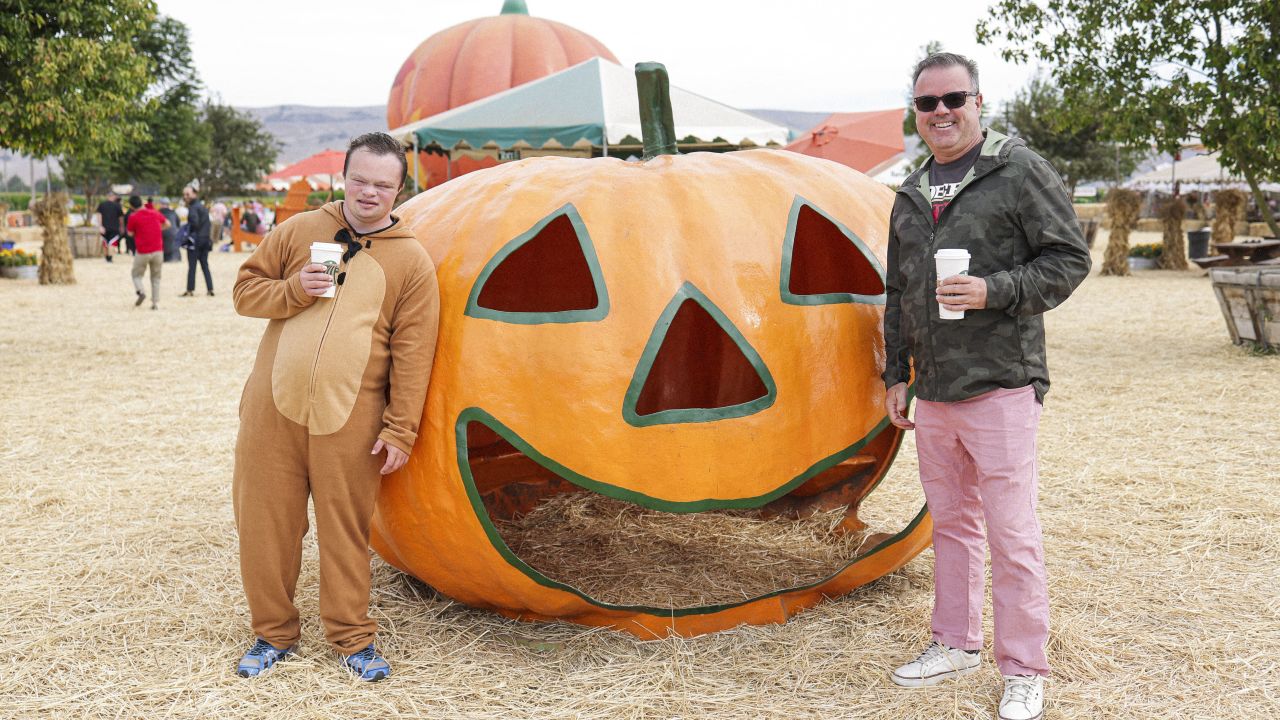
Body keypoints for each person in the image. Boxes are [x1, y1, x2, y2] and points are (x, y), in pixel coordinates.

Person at [882, 53, 1091, 720]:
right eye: (927, 103)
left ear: (979, 101)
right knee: (953, 526)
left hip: (1002, 380)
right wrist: (897, 375)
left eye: (953, 99)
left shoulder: (1016, 170)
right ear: (914, 114)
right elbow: (896, 293)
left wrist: (992, 291)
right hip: (936, 389)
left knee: (1011, 531)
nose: (940, 112)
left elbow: (1069, 259)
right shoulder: (912, 191)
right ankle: (954, 642)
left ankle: (1025, 667)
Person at [230, 132, 440, 682]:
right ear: (343, 177)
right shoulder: (299, 230)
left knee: (345, 531)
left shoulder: (413, 262)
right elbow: (245, 292)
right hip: (271, 410)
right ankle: (272, 634)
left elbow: (413, 353)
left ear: (400, 189)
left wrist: (400, 429)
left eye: (383, 185)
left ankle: (351, 638)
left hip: (352, 418)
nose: (369, 193)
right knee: (264, 525)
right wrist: (295, 288)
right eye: (360, 180)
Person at [124, 195, 169, 310]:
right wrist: (158, 229)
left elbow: (129, 233)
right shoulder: (154, 213)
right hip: (158, 250)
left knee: (136, 275)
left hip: (143, 251)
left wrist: (138, 232)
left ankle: (141, 290)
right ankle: (155, 303)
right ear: (142, 203)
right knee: (156, 277)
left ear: (132, 206)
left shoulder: (133, 217)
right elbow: (167, 223)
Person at [181, 185, 214, 296]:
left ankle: (190, 290)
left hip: (196, 240)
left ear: (194, 194)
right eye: (184, 194)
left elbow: (195, 223)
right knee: (205, 265)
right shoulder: (202, 207)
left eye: (187, 194)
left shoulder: (193, 207)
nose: (185, 197)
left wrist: (187, 230)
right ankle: (210, 289)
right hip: (205, 239)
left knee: (192, 266)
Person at [96, 192, 124, 263]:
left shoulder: (102, 205)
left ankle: (106, 257)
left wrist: (100, 226)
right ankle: (110, 258)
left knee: (105, 242)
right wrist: (121, 226)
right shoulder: (117, 206)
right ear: (113, 197)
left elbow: (99, 215)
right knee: (112, 243)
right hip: (114, 227)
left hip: (104, 227)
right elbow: (121, 217)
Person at [157, 198, 182, 263]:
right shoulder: (173, 212)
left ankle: (165, 258)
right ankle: (176, 258)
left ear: (161, 204)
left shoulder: (158, 212)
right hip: (174, 232)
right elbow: (178, 223)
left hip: (163, 232)